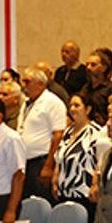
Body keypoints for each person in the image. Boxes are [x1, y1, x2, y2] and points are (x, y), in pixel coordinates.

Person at [52, 94, 104, 223]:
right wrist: (56, 177)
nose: (72, 109)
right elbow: (60, 157)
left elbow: (100, 160)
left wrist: (95, 184)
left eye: (77, 105)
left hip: (84, 189)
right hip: (66, 188)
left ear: (87, 109)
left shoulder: (97, 132)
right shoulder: (68, 131)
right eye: (71, 105)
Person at [17, 66, 66, 200]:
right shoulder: (26, 103)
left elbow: (58, 135)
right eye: (23, 81)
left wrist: (49, 166)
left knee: (42, 202)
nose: (24, 85)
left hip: (41, 161)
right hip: (25, 162)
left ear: (40, 84)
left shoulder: (53, 102)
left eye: (27, 82)